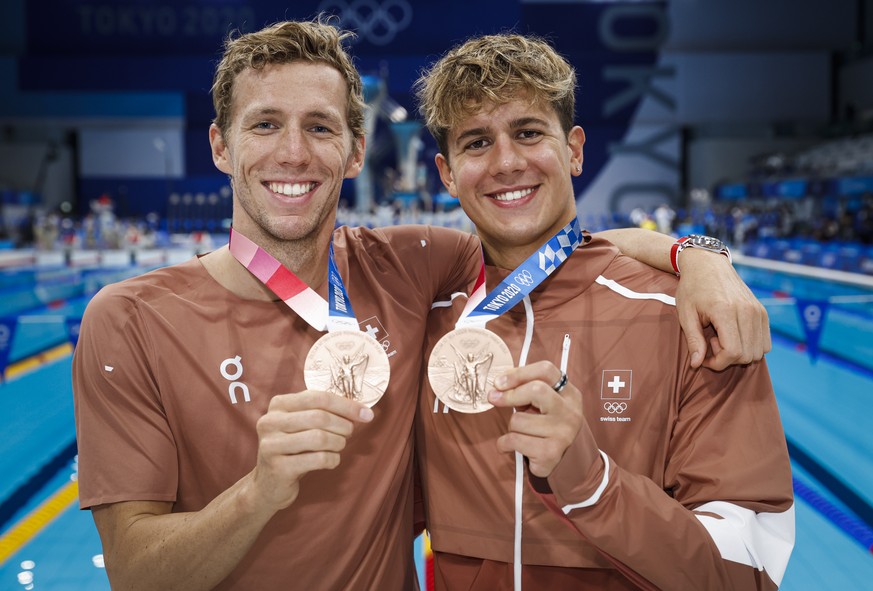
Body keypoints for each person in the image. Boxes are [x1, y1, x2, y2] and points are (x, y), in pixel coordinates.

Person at [72, 18, 771, 590]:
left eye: (319, 127)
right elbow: (135, 573)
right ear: (221, 145)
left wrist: (695, 255)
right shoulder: (129, 319)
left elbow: (547, 241)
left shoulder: (405, 270)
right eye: (263, 126)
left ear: (353, 152)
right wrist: (257, 492)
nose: (293, 152)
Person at [414, 33, 794, 590]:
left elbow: (751, 571)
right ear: (448, 173)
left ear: (574, 149)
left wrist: (594, 486)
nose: (506, 162)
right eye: (476, 143)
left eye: (527, 132)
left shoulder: (687, 317)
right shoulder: (425, 316)